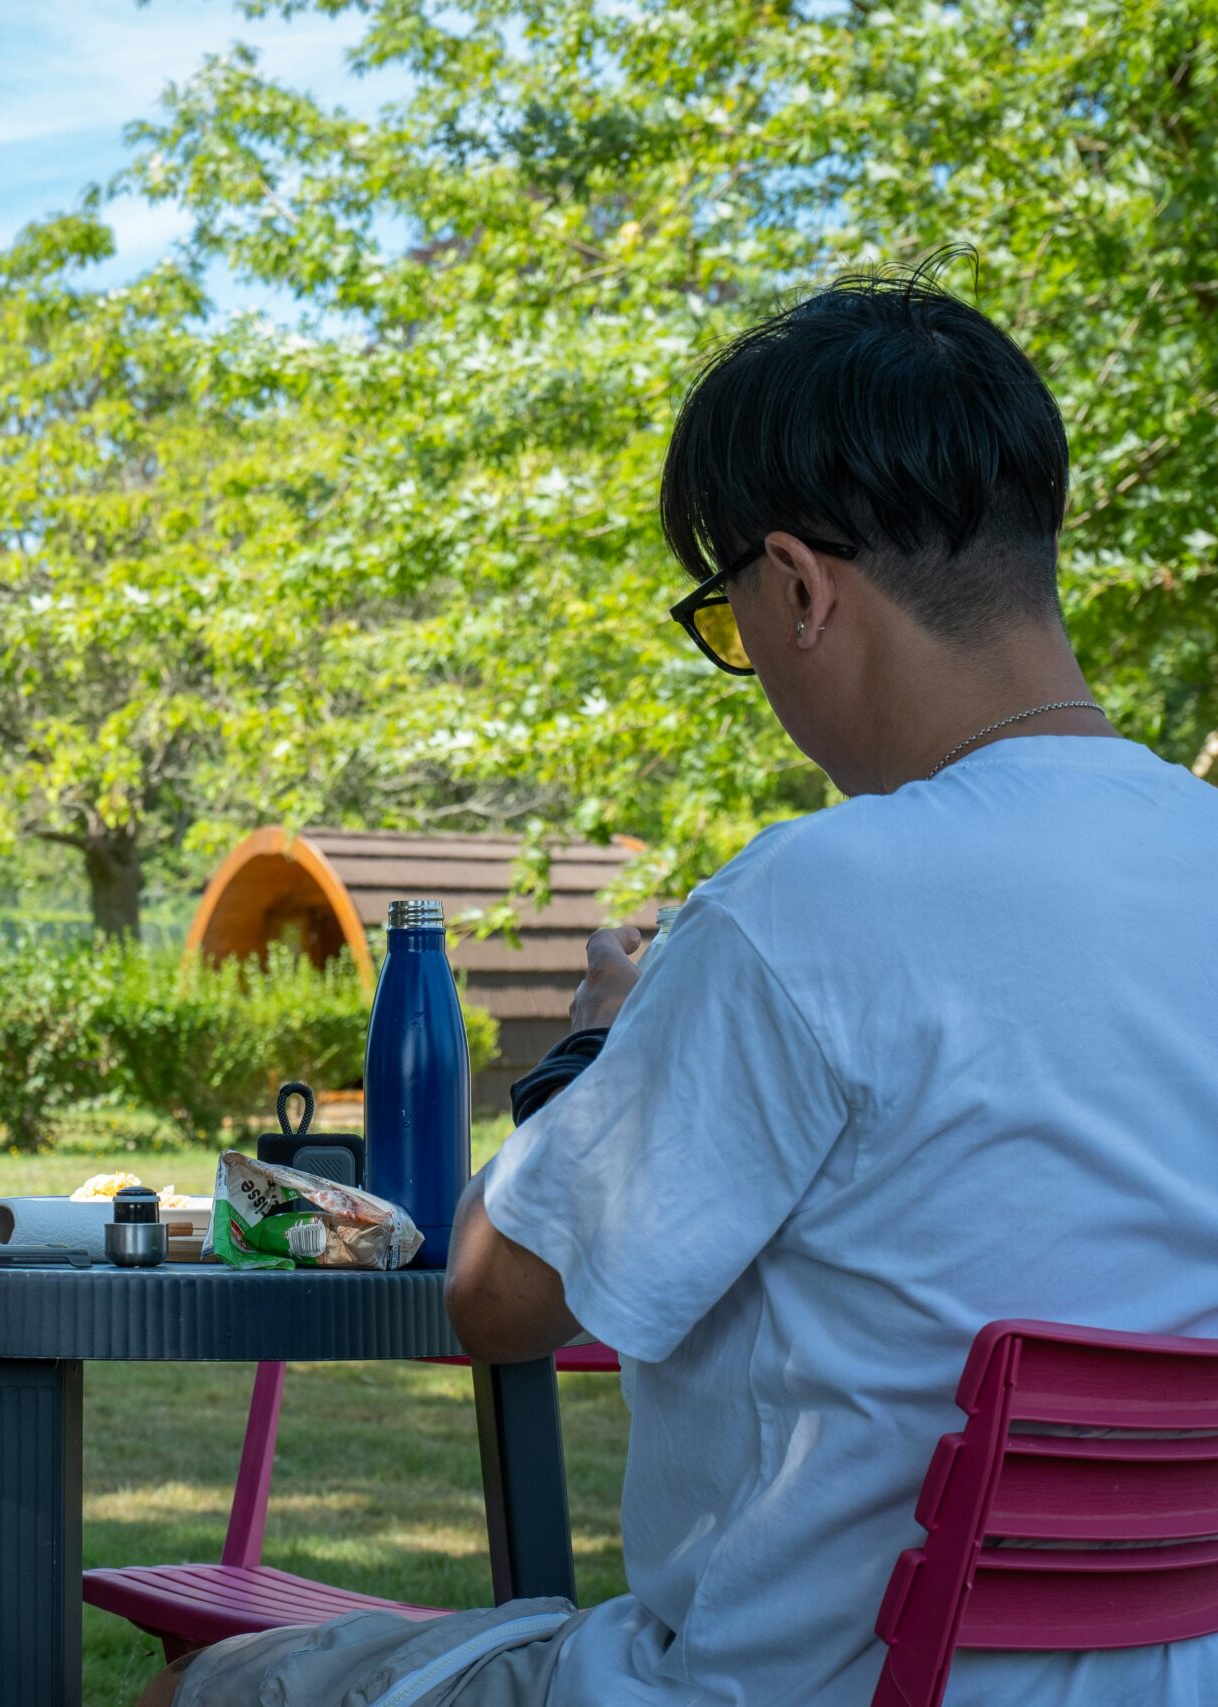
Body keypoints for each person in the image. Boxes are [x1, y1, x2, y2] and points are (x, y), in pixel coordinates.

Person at [145, 265, 1218, 1707]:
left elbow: (494, 1301)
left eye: (730, 615)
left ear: (799, 586)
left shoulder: (811, 903)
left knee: (207, 1686)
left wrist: (594, 1048)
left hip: (784, 1690)